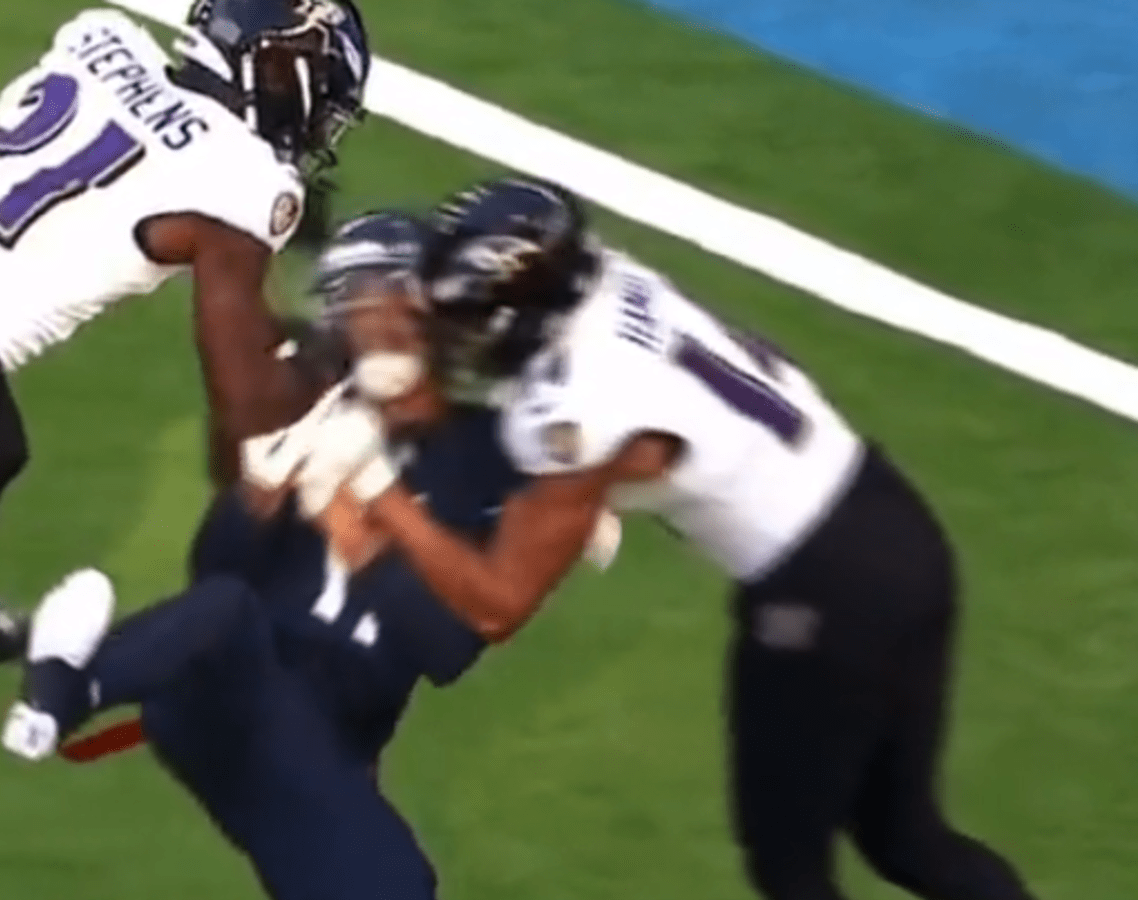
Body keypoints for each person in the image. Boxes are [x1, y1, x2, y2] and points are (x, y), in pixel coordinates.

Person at [294, 177, 1039, 900]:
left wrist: (378, 490)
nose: (453, 338)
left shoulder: (574, 405)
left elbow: (497, 604)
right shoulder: (609, 283)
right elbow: (638, 449)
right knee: (907, 838)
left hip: (823, 599)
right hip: (895, 525)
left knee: (790, 871)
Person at [0, 210, 619, 900]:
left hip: (326, 742)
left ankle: (68, 674)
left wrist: (365, 533)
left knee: (394, 884)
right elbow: (215, 578)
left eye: (393, 306)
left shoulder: (494, 454)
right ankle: (64, 691)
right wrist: (253, 499)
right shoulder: (311, 416)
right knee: (229, 612)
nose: (377, 329)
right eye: (359, 309)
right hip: (229, 694)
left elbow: (448, 648)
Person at [0, 0, 369, 661]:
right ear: (278, 63)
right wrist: (337, 355)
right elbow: (248, 404)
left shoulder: (100, 38)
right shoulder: (246, 184)